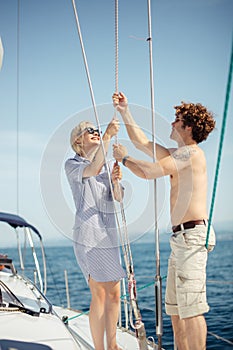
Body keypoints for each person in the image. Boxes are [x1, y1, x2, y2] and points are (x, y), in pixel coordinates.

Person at [112, 92, 216, 350]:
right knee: (176, 312)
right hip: (180, 239)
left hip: (192, 238)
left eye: (176, 120)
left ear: (188, 127)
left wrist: (124, 159)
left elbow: (149, 172)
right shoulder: (179, 154)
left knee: (191, 310)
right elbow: (142, 142)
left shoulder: (190, 153)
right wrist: (125, 111)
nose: (171, 124)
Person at [65, 118, 126, 350]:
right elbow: (92, 169)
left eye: (99, 131)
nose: (97, 133)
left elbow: (118, 197)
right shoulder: (72, 165)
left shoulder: (106, 168)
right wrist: (108, 137)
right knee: (99, 292)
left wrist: (115, 181)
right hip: (89, 235)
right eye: (91, 131)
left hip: (108, 236)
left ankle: (112, 344)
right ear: (78, 140)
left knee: (114, 293)